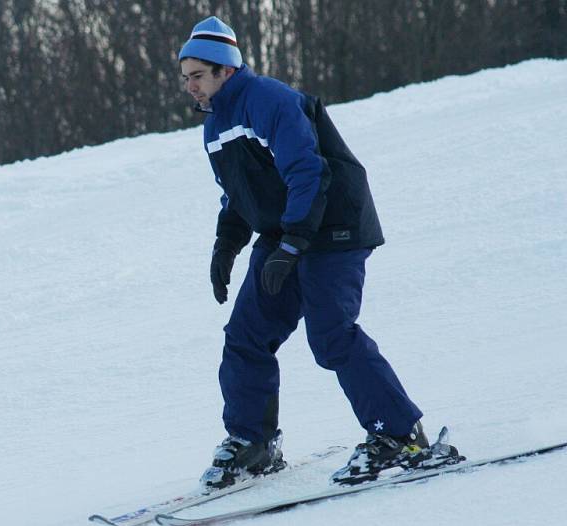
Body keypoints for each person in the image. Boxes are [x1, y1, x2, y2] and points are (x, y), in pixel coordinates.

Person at [179, 16, 457, 488]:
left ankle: (401, 436)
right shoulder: (215, 126)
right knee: (246, 334)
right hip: (288, 232)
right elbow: (239, 195)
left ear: (226, 70)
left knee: (332, 334)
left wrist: (292, 244)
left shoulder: (270, 100)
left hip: (333, 225)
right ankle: (253, 444)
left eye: (197, 75)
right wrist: (226, 245)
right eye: (184, 78)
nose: (189, 86)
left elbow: (308, 172)